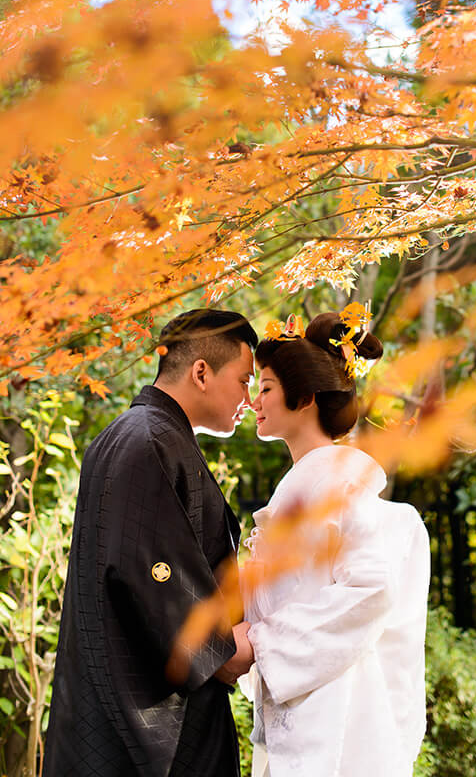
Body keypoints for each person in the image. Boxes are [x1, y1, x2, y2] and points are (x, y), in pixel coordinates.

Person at [43, 308, 258, 777]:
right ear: (201, 372)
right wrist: (224, 648)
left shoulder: (137, 435)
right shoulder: (148, 441)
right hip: (144, 727)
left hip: (118, 705)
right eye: (244, 380)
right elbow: (150, 574)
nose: (249, 397)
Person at [240, 311, 431, 777]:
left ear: (303, 398)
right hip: (305, 711)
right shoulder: (305, 493)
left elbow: (372, 590)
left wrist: (261, 644)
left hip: (343, 718)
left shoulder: (341, 491)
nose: (254, 400)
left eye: (265, 388)